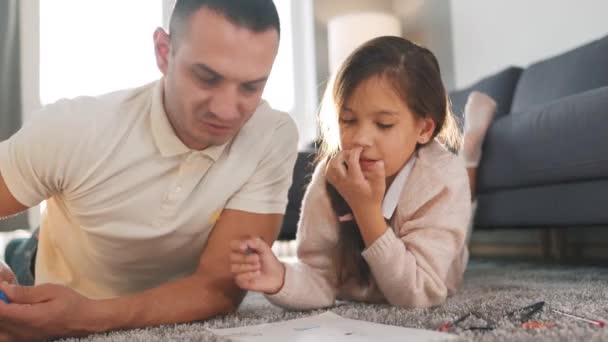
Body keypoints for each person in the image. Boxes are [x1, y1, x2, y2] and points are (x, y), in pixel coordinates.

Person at [0, 0, 298, 339]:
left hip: (100, 301)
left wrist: (88, 316)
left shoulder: (272, 135)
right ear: (163, 51)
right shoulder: (77, 127)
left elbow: (218, 288)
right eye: (207, 77)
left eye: (250, 87)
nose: (227, 110)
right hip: (45, 273)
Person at [230, 36, 481, 309]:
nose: (361, 138)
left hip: (441, 235)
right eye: (348, 120)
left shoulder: (441, 178)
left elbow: (417, 294)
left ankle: (472, 149)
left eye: (384, 124)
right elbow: (319, 278)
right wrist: (280, 277)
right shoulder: (332, 176)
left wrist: (366, 211)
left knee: (464, 188)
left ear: (423, 129)